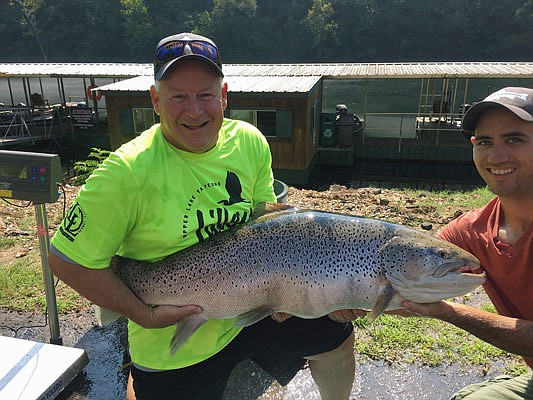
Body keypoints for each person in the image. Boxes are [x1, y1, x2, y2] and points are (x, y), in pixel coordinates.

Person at [48, 32, 355, 400]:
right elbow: (66, 260)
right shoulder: (125, 173)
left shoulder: (249, 141)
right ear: (155, 100)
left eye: (205, 95)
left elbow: (266, 227)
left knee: (335, 338)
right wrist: (142, 314)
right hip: (174, 338)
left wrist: (292, 297)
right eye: (178, 96)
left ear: (224, 95)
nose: (194, 111)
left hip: (249, 309)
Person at [401, 87, 533, 399]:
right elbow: (407, 280)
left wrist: (448, 312)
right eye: (485, 142)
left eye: (514, 139)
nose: (496, 156)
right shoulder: (468, 233)